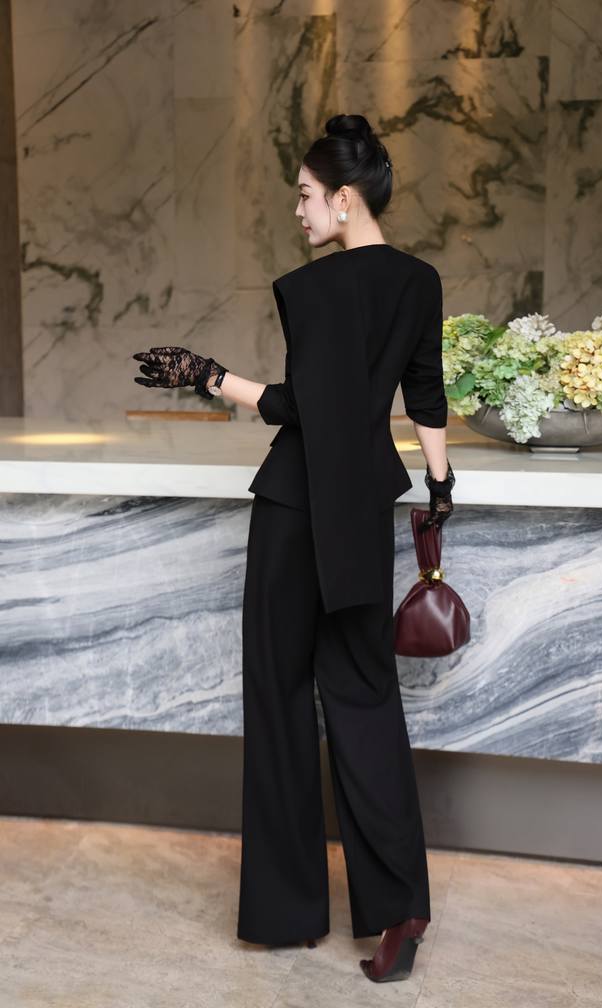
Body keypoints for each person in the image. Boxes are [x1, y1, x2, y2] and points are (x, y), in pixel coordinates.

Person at [132, 113, 456, 983]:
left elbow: (296, 407)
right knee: (365, 701)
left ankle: (287, 913)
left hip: (294, 509)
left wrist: (203, 373)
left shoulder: (314, 289)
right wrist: (439, 489)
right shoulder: (420, 282)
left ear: (345, 199)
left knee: (279, 697)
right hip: (363, 515)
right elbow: (424, 397)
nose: (301, 212)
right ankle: (401, 906)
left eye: (308, 197)